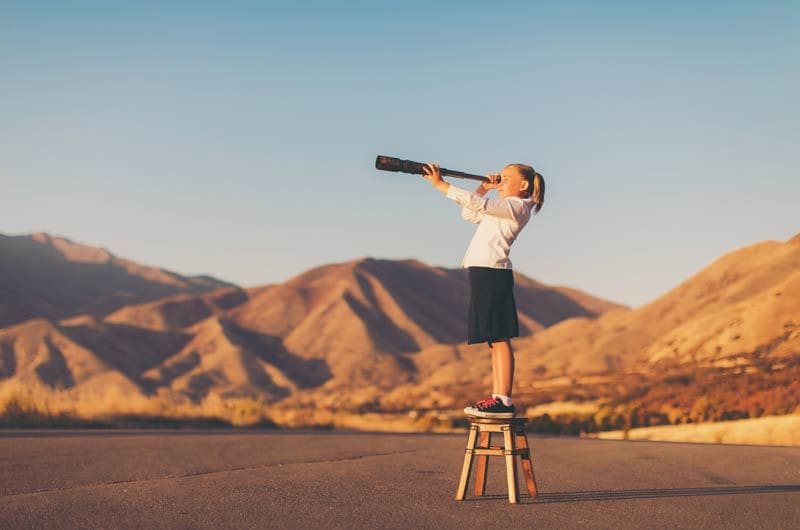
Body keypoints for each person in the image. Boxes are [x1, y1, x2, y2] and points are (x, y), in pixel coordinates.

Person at [421, 161, 545, 418]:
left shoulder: (516, 206)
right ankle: (499, 395)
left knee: (499, 337)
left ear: (523, 185)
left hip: (492, 273)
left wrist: (441, 185)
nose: (499, 180)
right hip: (484, 272)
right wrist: (483, 187)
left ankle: (504, 398)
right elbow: (470, 213)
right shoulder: (504, 208)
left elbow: (478, 205)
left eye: (505, 177)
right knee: (495, 338)